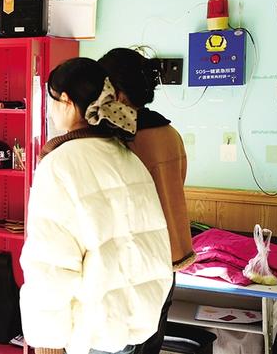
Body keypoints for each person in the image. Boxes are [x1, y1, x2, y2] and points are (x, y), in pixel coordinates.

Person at [19, 57, 173, 354]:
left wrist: (47, 341)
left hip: (90, 331)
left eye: (52, 101)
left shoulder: (60, 164)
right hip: (133, 326)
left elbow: (51, 263)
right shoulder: (127, 156)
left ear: (66, 102)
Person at [99, 48, 196, 354]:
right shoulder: (170, 133)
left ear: (117, 93)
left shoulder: (120, 140)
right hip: (169, 259)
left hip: (133, 263)